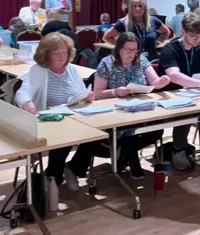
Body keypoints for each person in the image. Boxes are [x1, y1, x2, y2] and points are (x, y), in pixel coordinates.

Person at [71, 32, 171, 179]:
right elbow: (97, 93)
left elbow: (155, 82)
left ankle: (125, 153)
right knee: (127, 132)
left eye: (135, 50)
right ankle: (129, 156)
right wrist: (115, 92)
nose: (132, 53)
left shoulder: (141, 60)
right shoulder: (106, 63)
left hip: (140, 110)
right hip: (115, 113)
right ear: (119, 49)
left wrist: (162, 81)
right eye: (128, 49)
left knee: (157, 130)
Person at [14, 33, 94, 209]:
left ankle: (72, 169)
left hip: (74, 118)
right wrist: (28, 104)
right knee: (63, 138)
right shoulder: (38, 71)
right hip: (48, 121)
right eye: (56, 53)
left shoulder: (72, 70)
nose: (61, 57)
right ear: (46, 54)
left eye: (65, 53)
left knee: (95, 136)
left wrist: (87, 97)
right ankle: (53, 176)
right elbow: (22, 91)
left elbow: (80, 94)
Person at [158, 13, 200, 172]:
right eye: (193, 35)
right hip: (169, 95)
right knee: (186, 111)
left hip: (188, 92)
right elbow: (174, 75)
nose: (196, 39)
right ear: (183, 33)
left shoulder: (198, 49)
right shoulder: (169, 49)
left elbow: (192, 76)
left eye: (199, 36)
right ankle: (178, 150)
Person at [103, 0, 170, 61]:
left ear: (145, 7)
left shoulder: (153, 20)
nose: (137, 8)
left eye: (140, 6)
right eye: (134, 6)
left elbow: (166, 32)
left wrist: (158, 42)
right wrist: (122, 47)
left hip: (151, 60)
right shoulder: (123, 22)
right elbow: (106, 37)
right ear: (130, 8)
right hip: (132, 62)